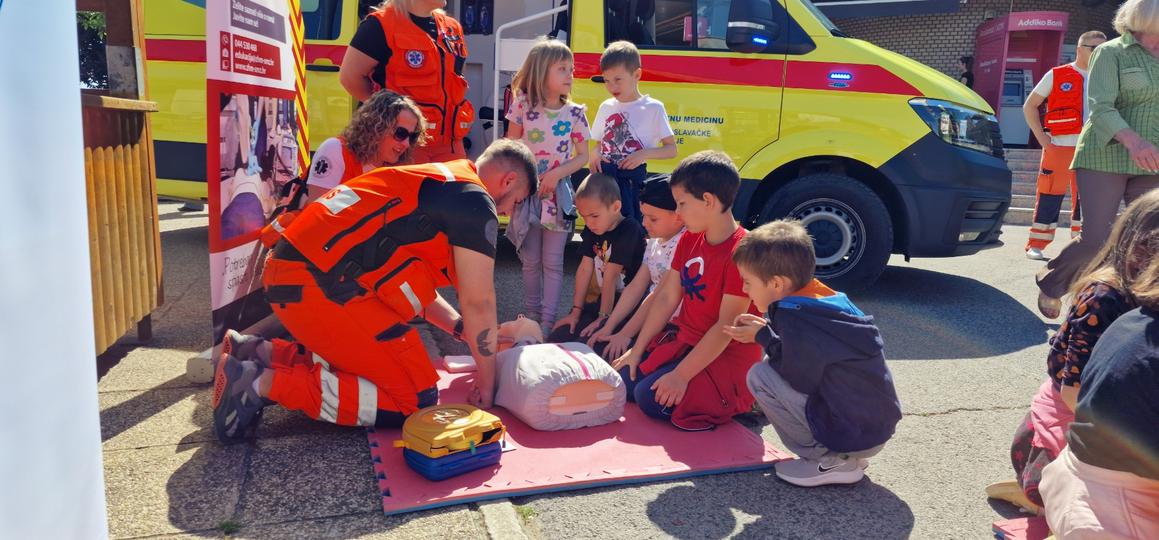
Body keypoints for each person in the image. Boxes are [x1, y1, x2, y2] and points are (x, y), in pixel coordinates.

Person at [210, 139, 537, 443]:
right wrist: (488, 384)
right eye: (516, 201)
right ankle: (257, 384)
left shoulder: (442, 183)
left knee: (368, 360)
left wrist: (459, 329)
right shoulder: (476, 201)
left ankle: (258, 353)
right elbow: (479, 301)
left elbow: (410, 287)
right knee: (413, 399)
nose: (508, 211)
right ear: (507, 181)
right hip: (319, 286)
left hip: (300, 277)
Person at [988, 190, 1158, 514]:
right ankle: (1042, 495)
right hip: (1074, 415)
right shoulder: (1104, 299)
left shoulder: (1148, 297)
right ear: (1141, 251)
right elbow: (1073, 394)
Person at [724, 220, 901, 487]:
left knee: (760, 375)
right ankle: (845, 456)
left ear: (776, 283)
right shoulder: (825, 301)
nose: (745, 289)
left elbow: (799, 379)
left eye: (748, 282)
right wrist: (768, 332)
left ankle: (826, 461)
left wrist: (763, 337)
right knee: (773, 367)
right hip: (874, 430)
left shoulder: (795, 317)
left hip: (853, 434)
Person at [611, 151, 763, 431]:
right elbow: (667, 297)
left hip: (725, 355)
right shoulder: (690, 239)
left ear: (708, 200)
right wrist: (637, 349)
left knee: (648, 398)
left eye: (682, 204)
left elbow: (725, 326)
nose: (678, 213)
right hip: (686, 341)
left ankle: (745, 399)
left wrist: (680, 376)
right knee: (622, 379)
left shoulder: (743, 251)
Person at [1037, 0, 1159, 319]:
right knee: (1097, 239)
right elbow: (1101, 108)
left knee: (1150, 238)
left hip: (1152, 161)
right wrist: (1134, 141)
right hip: (1105, 154)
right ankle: (1052, 282)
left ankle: (1136, 309)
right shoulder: (1111, 52)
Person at [1039, 233, 1159, 538]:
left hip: (1087, 483)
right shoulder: (1105, 298)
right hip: (1105, 506)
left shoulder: (1138, 314)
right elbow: (1072, 394)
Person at [258, 91, 426, 248]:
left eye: (412, 137)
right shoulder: (335, 150)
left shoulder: (394, 166)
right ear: (377, 127)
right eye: (400, 133)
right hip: (309, 248)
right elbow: (319, 217)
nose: (405, 144)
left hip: (350, 250)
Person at [504, 37, 591, 333]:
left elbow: (583, 157)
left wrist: (555, 175)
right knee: (530, 261)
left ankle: (548, 323)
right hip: (527, 194)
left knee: (553, 262)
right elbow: (510, 150)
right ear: (542, 72)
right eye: (562, 69)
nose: (570, 75)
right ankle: (531, 319)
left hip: (558, 195)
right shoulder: (521, 106)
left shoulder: (576, 113)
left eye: (571, 69)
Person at [340, 0, 472, 163]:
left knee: (458, 188)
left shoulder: (452, 28)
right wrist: (384, 113)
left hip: (450, 145)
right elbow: (349, 77)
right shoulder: (380, 25)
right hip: (403, 143)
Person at [1023, 31, 1107, 261]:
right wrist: (1042, 139)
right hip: (1058, 147)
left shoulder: (1108, 76)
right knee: (1049, 194)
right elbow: (1030, 106)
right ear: (1080, 49)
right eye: (1094, 48)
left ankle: (1083, 246)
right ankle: (1036, 244)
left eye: (1104, 48)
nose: (1100, 53)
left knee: (1087, 199)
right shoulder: (1057, 74)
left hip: (1093, 150)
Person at [585, 175, 686, 361]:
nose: (644, 223)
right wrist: (609, 325)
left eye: (653, 219)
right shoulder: (655, 241)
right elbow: (637, 286)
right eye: (643, 215)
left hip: (670, 324)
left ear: (679, 216)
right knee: (599, 342)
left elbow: (658, 296)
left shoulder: (683, 244)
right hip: (649, 316)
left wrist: (625, 334)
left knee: (609, 354)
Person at [548, 173, 646, 344]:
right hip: (601, 301)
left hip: (625, 307)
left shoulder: (630, 229)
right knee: (559, 337)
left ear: (616, 207)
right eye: (583, 217)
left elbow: (611, 275)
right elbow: (585, 268)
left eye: (594, 216)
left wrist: (603, 319)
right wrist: (575, 312)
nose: (589, 223)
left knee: (588, 341)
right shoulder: (594, 228)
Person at [589, 40, 677, 222]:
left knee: (632, 230)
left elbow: (671, 149)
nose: (611, 87)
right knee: (601, 230)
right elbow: (599, 143)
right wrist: (595, 154)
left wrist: (642, 154)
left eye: (618, 80)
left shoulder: (653, 108)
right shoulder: (606, 106)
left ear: (637, 74)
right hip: (605, 180)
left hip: (632, 182)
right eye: (606, 81)